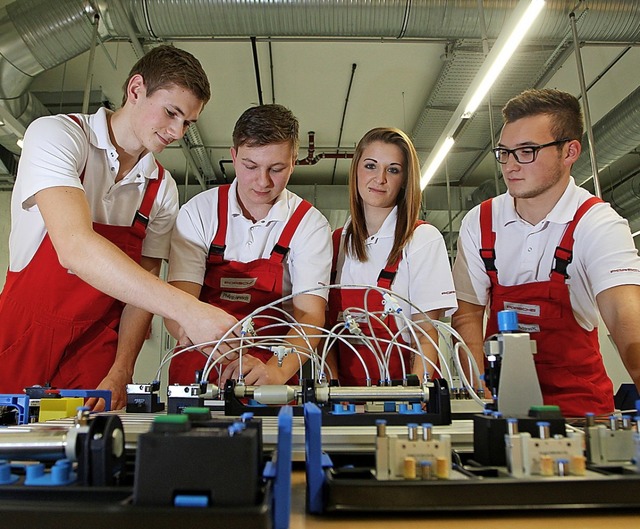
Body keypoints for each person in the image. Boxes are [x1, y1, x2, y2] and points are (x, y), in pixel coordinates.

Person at [0, 45, 237, 410]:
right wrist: (188, 310)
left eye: (188, 123)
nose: (177, 132)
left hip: (96, 346)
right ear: (136, 89)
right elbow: (75, 248)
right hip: (23, 334)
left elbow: (140, 291)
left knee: (90, 454)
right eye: (171, 113)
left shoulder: (162, 188)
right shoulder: (58, 136)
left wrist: (122, 368)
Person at [452, 88, 640, 417]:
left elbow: (626, 318)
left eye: (526, 151)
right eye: (504, 152)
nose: (510, 166)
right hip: (502, 409)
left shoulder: (597, 224)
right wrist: (477, 393)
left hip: (581, 414)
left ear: (570, 152)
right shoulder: (480, 222)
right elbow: (467, 314)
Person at [166, 103, 332, 386]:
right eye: (250, 166)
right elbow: (179, 303)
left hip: (274, 364)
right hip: (200, 362)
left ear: (293, 162)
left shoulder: (309, 224)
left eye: (276, 169)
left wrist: (277, 371)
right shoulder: (199, 212)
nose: (262, 181)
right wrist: (194, 335)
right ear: (233, 156)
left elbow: (310, 314)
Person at [326, 127, 457, 386]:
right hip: (343, 398)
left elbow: (425, 334)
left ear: (405, 179)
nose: (380, 178)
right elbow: (326, 335)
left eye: (393, 169)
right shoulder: (336, 242)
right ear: (356, 172)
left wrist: (415, 398)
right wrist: (330, 389)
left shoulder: (422, 239)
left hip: (404, 393)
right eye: (371, 166)